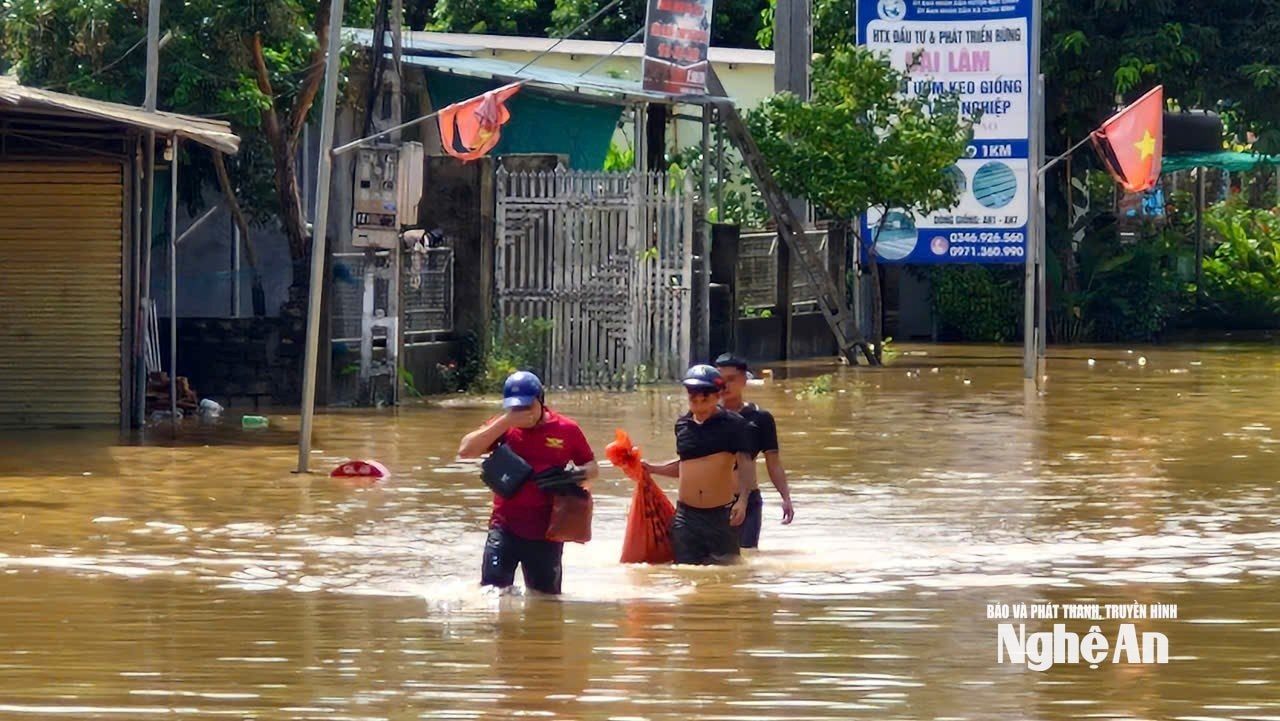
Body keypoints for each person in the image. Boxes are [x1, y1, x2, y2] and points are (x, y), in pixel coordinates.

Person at [457, 371, 598, 595]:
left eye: (527, 407)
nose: (522, 414)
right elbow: (465, 450)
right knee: (491, 594)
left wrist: (574, 476)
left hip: (547, 533)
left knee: (546, 601)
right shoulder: (504, 427)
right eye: (515, 407)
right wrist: (507, 421)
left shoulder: (567, 429)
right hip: (504, 528)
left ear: (541, 401)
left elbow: (592, 467)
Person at [643, 365, 753, 565]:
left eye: (705, 396)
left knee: (728, 574)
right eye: (693, 395)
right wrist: (652, 469)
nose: (699, 401)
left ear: (718, 394)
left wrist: (743, 500)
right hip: (686, 517)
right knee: (685, 574)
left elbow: (745, 464)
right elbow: (685, 468)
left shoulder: (734, 425)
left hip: (720, 516)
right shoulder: (683, 426)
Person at [714, 353, 794, 549]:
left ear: (743, 379)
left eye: (731, 379)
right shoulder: (707, 416)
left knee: (745, 560)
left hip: (748, 502)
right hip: (712, 501)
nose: (725, 386)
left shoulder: (760, 418)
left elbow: (773, 462)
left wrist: (785, 498)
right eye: (719, 380)